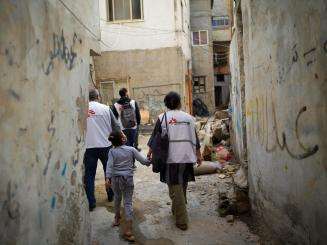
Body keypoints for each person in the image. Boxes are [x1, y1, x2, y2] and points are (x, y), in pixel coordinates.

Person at [147, 91, 202, 231]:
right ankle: (177, 207)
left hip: (171, 157)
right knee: (182, 183)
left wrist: (150, 152)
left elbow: (155, 138)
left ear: (166, 104)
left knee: (175, 186)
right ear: (179, 103)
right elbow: (195, 137)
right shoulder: (189, 118)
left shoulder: (163, 117)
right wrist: (198, 154)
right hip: (187, 156)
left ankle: (182, 220)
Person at [105, 131, 151, 242]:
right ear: (123, 139)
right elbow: (144, 161)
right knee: (128, 202)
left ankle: (117, 219)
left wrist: (107, 178)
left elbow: (109, 165)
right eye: (123, 135)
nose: (125, 135)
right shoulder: (131, 149)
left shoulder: (111, 151)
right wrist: (150, 160)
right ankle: (129, 230)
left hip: (115, 179)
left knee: (117, 197)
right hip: (127, 179)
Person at [84, 88, 122, 211]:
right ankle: (111, 195)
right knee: (109, 171)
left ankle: (91, 202)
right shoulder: (106, 109)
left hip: (88, 147)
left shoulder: (82, 110)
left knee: (89, 175)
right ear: (98, 96)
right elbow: (116, 127)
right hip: (106, 146)